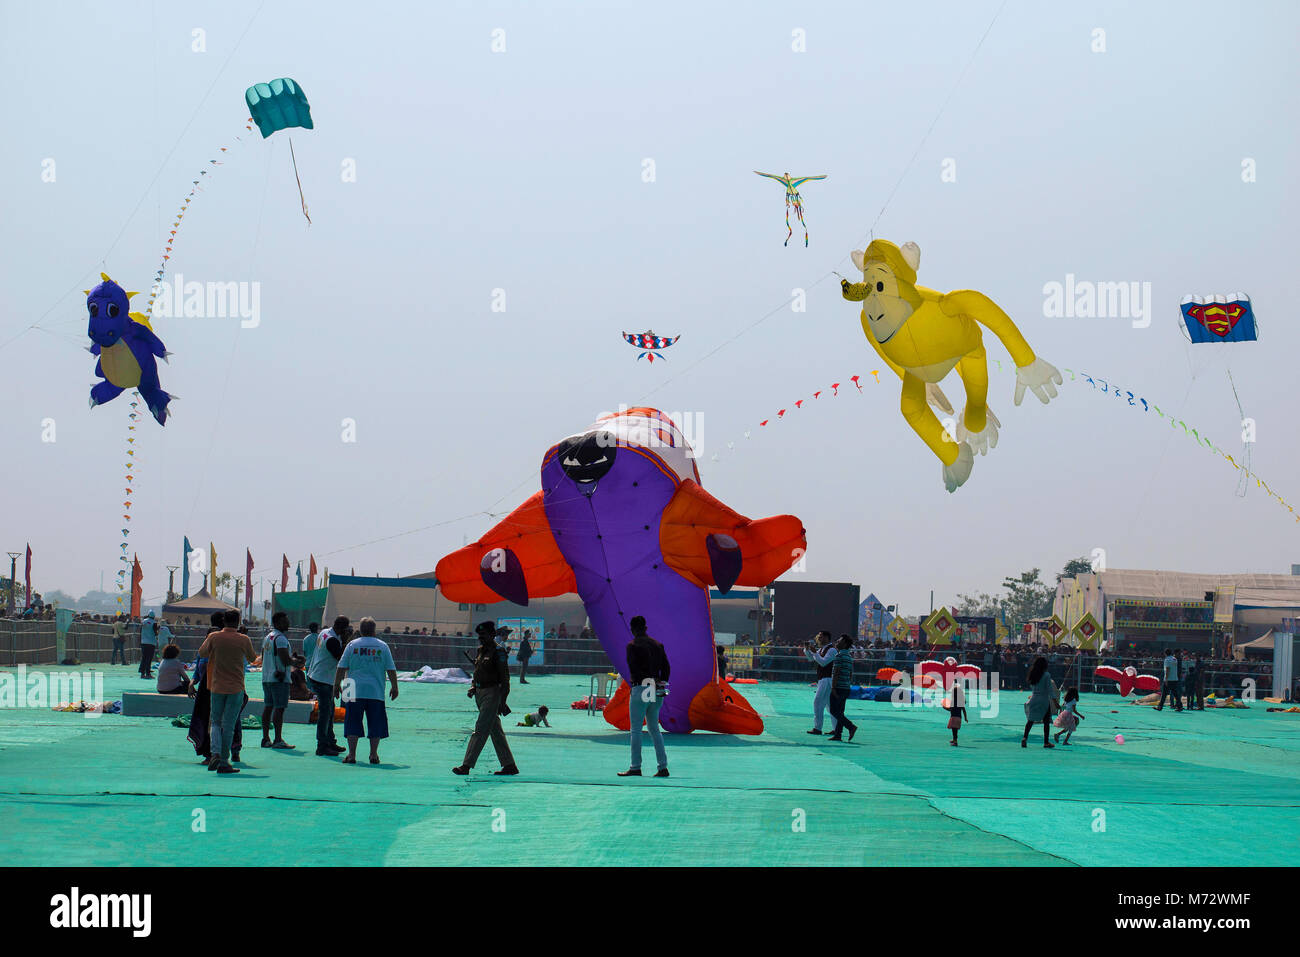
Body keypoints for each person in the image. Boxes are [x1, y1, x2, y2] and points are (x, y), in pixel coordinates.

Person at [453, 621, 518, 776]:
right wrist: (473, 686)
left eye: (484, 635)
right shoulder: (481, 650)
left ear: (492, 635)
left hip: (492, 693)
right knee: (495, 730)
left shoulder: (499, 652)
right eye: (479, 635)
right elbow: (478, 671)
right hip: (480, 694)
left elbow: (505, 679)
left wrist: (502, 701)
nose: (481, 638)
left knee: (480, 729)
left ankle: (466, 765)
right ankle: (509, 765)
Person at [197, 610, 258, 773]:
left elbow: (201, 653)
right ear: (238, 621)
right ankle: (224, 760)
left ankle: (215, 753)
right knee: (229, 725)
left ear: (224, 621)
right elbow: (253, 659)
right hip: (236, 687)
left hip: (217, 686)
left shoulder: (214, 637)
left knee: (215, 722)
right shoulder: (244, 639)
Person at [334, 617, 399, 765]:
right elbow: (391, 668)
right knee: (375, 722)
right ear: (374, 630)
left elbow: (341, 666)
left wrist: (336, 685)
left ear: (361, 630)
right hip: (375, 689)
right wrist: (395, 687)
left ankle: (351, 755)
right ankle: (373, 754)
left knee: (351, 721)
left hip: (351, 687)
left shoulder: (351, 645)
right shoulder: (382, 646)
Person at [621, 615, 670, 777]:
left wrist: (643, 680)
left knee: (635, 729)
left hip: (641, 687)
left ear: (633, 629)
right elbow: (666, 667)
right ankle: (662, 766)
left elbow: (633, 668)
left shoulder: (632, 645)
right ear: (646, 628)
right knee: (654, 729)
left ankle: (635, 766)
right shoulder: (657, 644)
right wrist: (661, 681)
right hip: (656, 688)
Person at [308, 617, 349, 756]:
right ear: (342, 629)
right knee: (325, 714)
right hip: (323, 679)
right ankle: (322, 745)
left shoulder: (325, 632)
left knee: (330, 711)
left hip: (319, 675)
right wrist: (346, 641)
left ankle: (330, 741)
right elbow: (341, 658)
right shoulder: (332, 640)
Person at [260, 612, 296, 750]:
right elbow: (285, 659)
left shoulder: (268, 637)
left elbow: (264, 657)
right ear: (278, 623)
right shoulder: (280, 638)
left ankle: (265, 738)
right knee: (279, 708)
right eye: (285, 621)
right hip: (279, 678)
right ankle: (278, 739)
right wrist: (296, 662)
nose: (288, 623)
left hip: (267, 677)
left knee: (268, 706)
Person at [1022, 655, 1060, 748]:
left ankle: (1024, 738)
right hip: (1044, 700)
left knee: (1030, 720)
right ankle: (1046, 742)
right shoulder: (1046, 675)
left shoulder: (1033, 674)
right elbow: (1050, 690)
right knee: (1046, 721)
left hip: (1034, 698)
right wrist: (1056, 703)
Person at [802, 631, 836, 735]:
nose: (819, 638)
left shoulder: (832, 650)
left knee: (818, 702)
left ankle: (818, 728)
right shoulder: (822, 649)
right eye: (819, 636)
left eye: (821, 637)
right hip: (823, 679)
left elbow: (823, 662)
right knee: (830, 706)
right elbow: (811, 659)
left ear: (827, 638)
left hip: (827, 679)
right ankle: (836, 729)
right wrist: (807, 650)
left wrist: (815, 653)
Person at [827, 635, 859, 742]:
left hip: (838, 687)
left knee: (834, 710)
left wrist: (833, 687)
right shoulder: (849, 657)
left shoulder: (839, 656)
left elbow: (836, 673)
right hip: (846, 687)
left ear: (844, 643)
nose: (837, 642)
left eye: (839, 640)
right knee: (840, 711)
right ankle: (838, 734)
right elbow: (850, 673)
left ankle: (850, 727)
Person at [1156, 647, 1182, 712]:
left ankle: (1160, 707)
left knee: (1164, 694)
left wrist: (1166, 679)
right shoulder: (1174, 659)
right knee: (1176, 694)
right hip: (1175, 678)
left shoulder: (1167, 660)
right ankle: (1179, 706)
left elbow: (1167, 669)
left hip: (1169, 679)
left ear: (1165, 653)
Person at [138, 611, 159, 679]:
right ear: (154, 616)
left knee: (144, 658)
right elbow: (155, 633)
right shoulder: (154, 622)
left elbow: (140, 629)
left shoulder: (144, 621)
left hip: (143, 642)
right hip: (151, 643)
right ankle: (148, 673)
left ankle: (142, 673)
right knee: (149, 658)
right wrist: (158, 629)